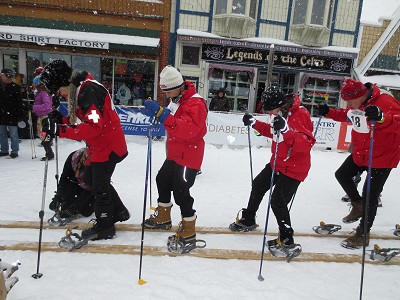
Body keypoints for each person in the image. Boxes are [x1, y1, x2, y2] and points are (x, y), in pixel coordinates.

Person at [40, 60, 130, 241]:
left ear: (64, 82)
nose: (59, 94)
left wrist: (60, 130)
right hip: (99, 145)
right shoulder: (80, 89)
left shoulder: (89, 91)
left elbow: (94, 126)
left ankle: (105, 226)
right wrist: (61, 120)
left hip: (108, 146)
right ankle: (119, 211)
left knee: (99, 186)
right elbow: (82, 119)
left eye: (58, 90)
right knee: (91, 179)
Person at [229, 86, 315, 253]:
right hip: (278, 162)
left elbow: (306, 143)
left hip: (295, 168)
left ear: (280, 104)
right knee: (259, 184)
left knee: (278, 201)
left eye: (270, 109)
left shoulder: (299, 114)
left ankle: (287, 239)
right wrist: (254, 123)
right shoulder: (277, 114)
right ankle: (249, 219)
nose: (269, 113)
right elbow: (272, 132)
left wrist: (286, 130)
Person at [318, 78, 400, 249]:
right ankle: (357, 204)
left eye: (351, 100)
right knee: (342, 174)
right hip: (362, 152)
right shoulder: (356, 104)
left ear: (361, 94)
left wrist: (383, 119)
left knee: (370, 194)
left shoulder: (386, 101)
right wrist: (329, 112)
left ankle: (363, 234)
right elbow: (347, 115)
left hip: (382, 157)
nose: (349, 104)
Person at [142, 65, 208, 251]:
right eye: (165, 91)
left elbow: (187, 130)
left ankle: (189, 228)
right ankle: (163, 217)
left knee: (181, 191)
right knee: (162, 179)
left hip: (189, 156)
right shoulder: (177, 99)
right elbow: (172, 119)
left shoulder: (196, 103)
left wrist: (162, 114)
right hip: (175, 153)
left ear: (179, 86)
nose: (168, 95)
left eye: (169, 90)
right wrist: (160, 115)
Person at [0, 68, 23, 158]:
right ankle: (4, 149)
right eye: (8, 76)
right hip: (1, 114)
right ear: (2, 76)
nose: (9, 78)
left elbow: (19, 102)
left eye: (11, 77)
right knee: (2, 133)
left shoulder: (16, 87)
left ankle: (14, 150)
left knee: (13, 133)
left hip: (12, 114)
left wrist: (20, 114)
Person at [32, 75, 55, 161]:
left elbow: (47, 106)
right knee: (42, 135)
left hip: (45, 117)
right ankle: (49, 152)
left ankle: (49, 153)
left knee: (45, 135)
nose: (33, 86)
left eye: (34, 84)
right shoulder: (40, 93)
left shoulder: (43, 93)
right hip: (41, 116)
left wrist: (34, 108)